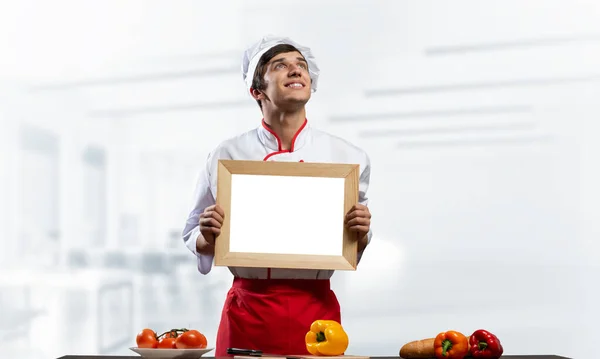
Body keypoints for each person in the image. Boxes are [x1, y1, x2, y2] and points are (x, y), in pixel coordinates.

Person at [182, 35, 373, 356]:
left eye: (301, 66)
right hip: (248, 310)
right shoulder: (227, 153)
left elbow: (352, 248)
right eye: (280, 66)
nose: (296, 70)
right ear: (257, 91)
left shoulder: (347, 156)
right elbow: (192, 235)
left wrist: (362, 232)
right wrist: (207, 233)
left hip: (316, 312)